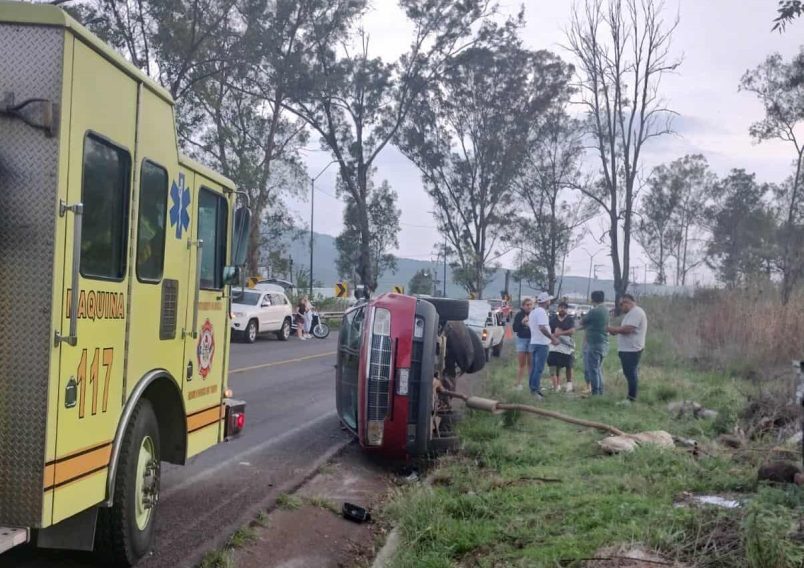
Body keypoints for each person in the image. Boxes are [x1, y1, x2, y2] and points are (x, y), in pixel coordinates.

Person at [607, 294, 648, 402]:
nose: (621, 306)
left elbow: (628, 329)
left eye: (622, 304)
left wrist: (612, 329)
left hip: (632, 349)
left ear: (628, 302)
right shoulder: (630, 314)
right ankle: (631, 397)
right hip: (627, 349)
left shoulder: (637, 312)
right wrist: (613, 330)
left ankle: (631, 398)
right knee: (629, 373)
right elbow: (622, 329)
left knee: (631, 374)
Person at [577, 290, 608, 395]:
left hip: (594, 342)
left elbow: (581, 321)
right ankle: (601, 391)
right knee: (599, 369)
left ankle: (595, 392)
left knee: (593, 369)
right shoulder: (605, 310)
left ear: (593, 299)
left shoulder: (594, 311)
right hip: (604, 342)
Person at [528, 292, 553, 399]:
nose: (550, 302)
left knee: (534, 368)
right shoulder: (542, 312)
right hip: (542, 343)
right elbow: (542, 327)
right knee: (539, 368)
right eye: (549, 300)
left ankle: (534, 388)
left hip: (534, 342)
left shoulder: (533, 312)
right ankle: (535, 390)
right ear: (546, 301)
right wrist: (552, 338)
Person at [547, 301, 576, 392]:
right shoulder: (553, 319)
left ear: (567, 309)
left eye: (564, 308)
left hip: (567, 345)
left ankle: (569, 384)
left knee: (568, 365)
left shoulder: (570, 319)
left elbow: (572, 330)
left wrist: (560, 333)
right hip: (555, 345)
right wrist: (554, 336)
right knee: (555, 364)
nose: (562, 309)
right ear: (558, 308)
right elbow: (549, 331)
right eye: (561, 307)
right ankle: (557, 385)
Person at [511, 297, 533, 391]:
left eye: (530, 305)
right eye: (527, 305)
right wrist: (522, 322)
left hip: (532, 340)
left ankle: (531, 384)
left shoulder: (534, 314)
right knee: (522, 364)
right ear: (523, 306)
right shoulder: (519, 315)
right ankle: (519, 384)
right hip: (521, 340)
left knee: (531, 364)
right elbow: (515, 329)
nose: (529, 306)